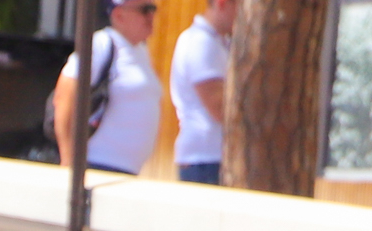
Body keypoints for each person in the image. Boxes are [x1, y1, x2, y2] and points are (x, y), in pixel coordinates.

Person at [51, 0, 161, 175]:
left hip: (127, 171)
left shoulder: (140, 51)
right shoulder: (101, 44)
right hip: (95, 166)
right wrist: (68, 160)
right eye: (145, 10)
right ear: (119, 15)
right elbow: (64, 97)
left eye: (153, 9)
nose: (151, 16)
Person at [170, 0, 235, 184]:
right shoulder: (201, 42)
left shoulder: (219, 42)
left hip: (212, 157)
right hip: (204, 159)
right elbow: (219, 108)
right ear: (222, 3)